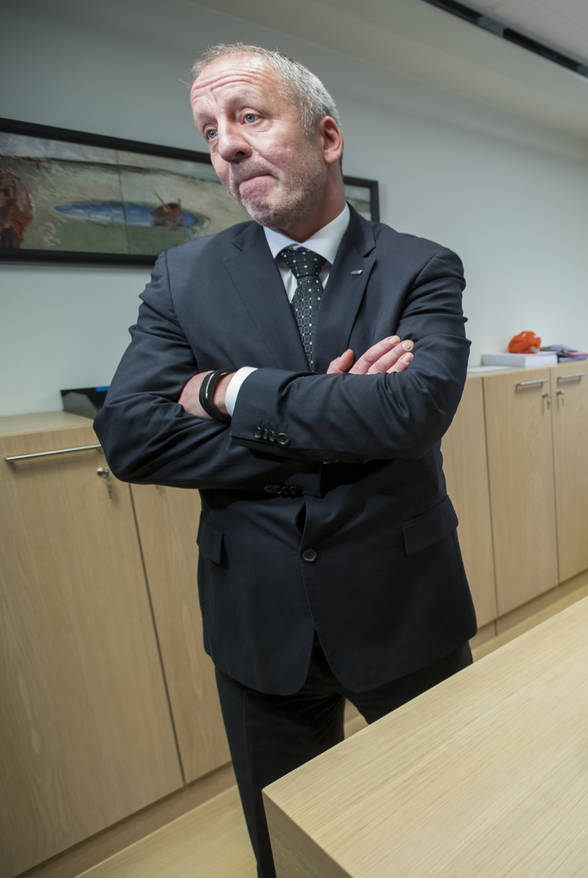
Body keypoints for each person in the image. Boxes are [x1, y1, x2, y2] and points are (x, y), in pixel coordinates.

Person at [94, 44, 476, 877]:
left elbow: (412, 415)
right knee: (289, 854)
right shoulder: (183, 276)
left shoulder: (420, 267)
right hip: (258, 622)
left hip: (404, 609)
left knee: (449, 829)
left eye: (249, 118)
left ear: (328, 137)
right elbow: (129, 435)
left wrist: (231, 389)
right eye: (208, 130)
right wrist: (340, 418)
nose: (225, 147)